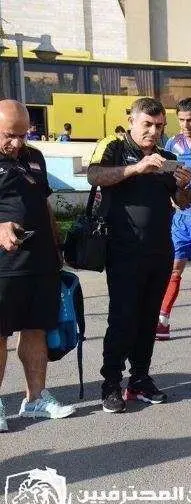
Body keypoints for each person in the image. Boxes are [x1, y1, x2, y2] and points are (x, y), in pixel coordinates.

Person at [87, 97, 191, 413]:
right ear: (131, 120)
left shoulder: (168, 157)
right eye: (147, 124)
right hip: (123, 250)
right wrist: (136, 168)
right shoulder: (114, 148)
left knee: (148, 320)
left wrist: (184, 186)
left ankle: (140, 379)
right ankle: (110, 384)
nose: (153, 131)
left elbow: (183, 203)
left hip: (160, 250)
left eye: (159, 126)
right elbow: (94, 176)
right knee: (122, 318)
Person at [0, 100, 76, 431]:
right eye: (8, 136)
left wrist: (57, 246)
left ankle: (35, 399)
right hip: (4, 267)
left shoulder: (34, 157)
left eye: (22, 135)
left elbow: (43, 204)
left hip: (40, 263)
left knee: (36, 330)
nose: (17, 143)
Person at [155, 98, 191, 341]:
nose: (185, 125)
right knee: (174, 269)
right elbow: (166, 178)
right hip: (180, 218)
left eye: (190, 120)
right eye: (181, 120)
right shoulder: (172, 143)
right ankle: (163, 321)